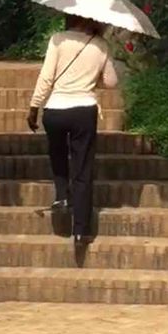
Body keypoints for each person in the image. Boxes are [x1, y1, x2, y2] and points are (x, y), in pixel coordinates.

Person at [27, 14, 118, 245]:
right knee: (82, 168)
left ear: (72, 17)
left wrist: (34, 107)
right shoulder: (100, 45)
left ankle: (61, 194)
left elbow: (46, 77)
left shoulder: (59, 39)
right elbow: (111, 82)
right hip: (84, 111)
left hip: (55, 110)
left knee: (57, 152)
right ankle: (80, 230)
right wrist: (92, 78)